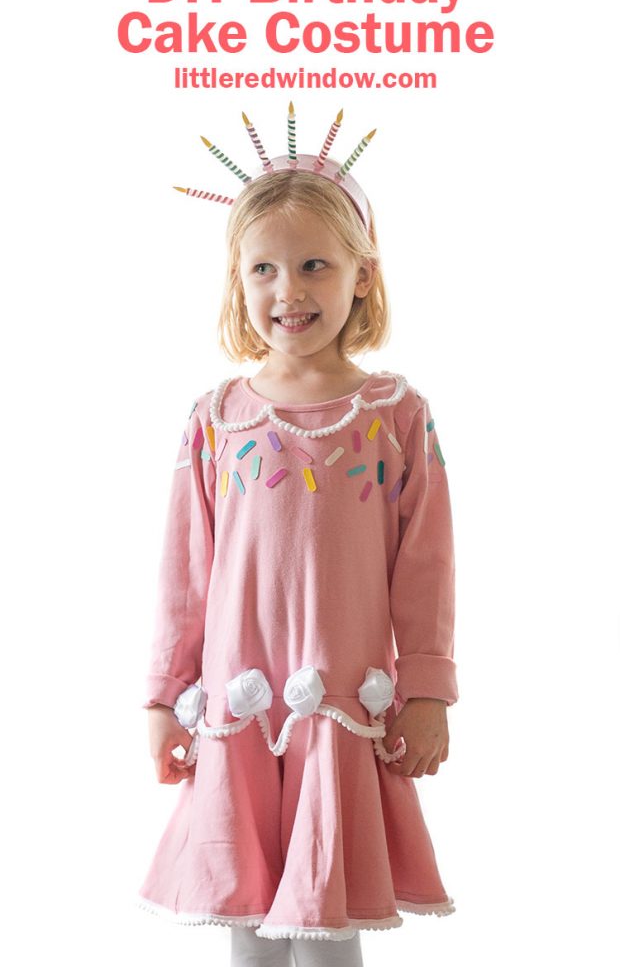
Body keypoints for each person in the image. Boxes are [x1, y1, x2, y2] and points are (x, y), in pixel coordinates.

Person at [136, 110, 459, 967]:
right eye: (265, 269)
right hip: (237, 700)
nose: (291, 290)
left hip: (341, 704)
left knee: (326, 923)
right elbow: (184, 573)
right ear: (237, 282)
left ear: (362, 273)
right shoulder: (217, 419)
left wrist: (427, 688)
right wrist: (165, 697)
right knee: (245, 914)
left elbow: (426, 566)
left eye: (315, 264)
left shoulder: (395, 414)